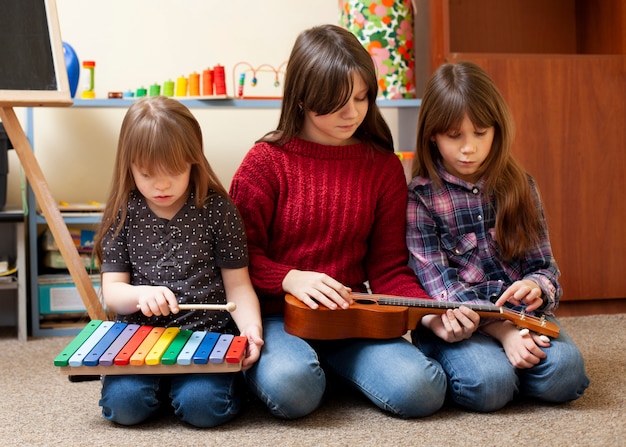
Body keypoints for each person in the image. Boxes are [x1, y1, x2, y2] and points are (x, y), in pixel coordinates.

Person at [229, 24, 446, 420]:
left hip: (351, 315)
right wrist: (290, 277)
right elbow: (238, 259)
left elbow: (388, 267)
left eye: (362, 97)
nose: (354, 113)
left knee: (423, 391)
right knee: (294, 389)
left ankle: (331, 369)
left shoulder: (381, 166)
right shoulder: (264, 162)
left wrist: (432, 312)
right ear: (303, 98)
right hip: (279, 316)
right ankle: (305, 369)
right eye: (337, 102)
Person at [406, 61, 589, 412]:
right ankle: (502, 368)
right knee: (489, 386)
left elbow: (544, 267)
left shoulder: (521, 185)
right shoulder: (421, 198)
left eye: (480, 133)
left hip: (522, 318)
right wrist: (503, 332)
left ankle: (514, 367)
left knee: (568, 372)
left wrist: (536, 287)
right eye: (454, 135)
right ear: (432, 134)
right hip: (459, 324)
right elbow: (443, 291)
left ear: (497, 129)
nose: (468, 149)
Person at [93, 96, 264, 427]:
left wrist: (251, 331)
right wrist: (140, 296)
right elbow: (113, 292)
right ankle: (165, 389)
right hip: (140, 338)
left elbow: (238, 286)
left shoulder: (218, 211)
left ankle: (190, 389)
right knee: (124, 408)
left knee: (203, 407)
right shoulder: (123, 212)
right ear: (128, 166)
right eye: (146, 173)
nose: (160, 185)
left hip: (206, 336)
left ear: (193, 161)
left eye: (173, 171)